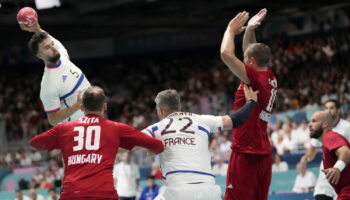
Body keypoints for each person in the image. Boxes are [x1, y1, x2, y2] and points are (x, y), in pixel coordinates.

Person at [30, 86, 164, 200]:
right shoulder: (116, 128)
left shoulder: (64, 129)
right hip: (103, 194)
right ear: (104, 107)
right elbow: (157, 146)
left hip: (71, 194)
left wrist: (64, 143)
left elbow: (35, 143)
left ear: (81, 107)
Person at [142, 86, 258, 200]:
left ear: (161, 110)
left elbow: (129, 142)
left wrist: (148, 145)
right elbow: (236, 120)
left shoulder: (156, 128)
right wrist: (251, 102)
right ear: (178, 106)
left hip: (177, 191)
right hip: (209, 191)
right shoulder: (202, 120)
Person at [220, 8, 277, 200]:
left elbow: (226, 54)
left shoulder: (255, 78)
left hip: (246, 152)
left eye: (245, 60)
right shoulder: (268, 75)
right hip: (263, 153)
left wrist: (230, 29)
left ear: (251, 62)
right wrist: (250, 30)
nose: (243, 61)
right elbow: (250, 51)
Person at [19, 19, 91, 126]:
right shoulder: (48, 84)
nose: (53, 48)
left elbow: (51, 40)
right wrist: (78, 105)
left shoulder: (63, 56)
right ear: (39, 56)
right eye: (47, 48)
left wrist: (37, 29)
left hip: (95, 118)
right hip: (79, 129)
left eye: (52, 44)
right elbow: (52, 119)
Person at [301, 99, 350, 200]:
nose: (309, 124)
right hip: (331, 177)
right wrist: (306, 157)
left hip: (342, 179)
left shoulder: (331, 136)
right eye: (326, 108)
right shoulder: (324, 139)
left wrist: (337, 168)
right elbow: (311, 150)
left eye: (314, 121)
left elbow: (345, 151)